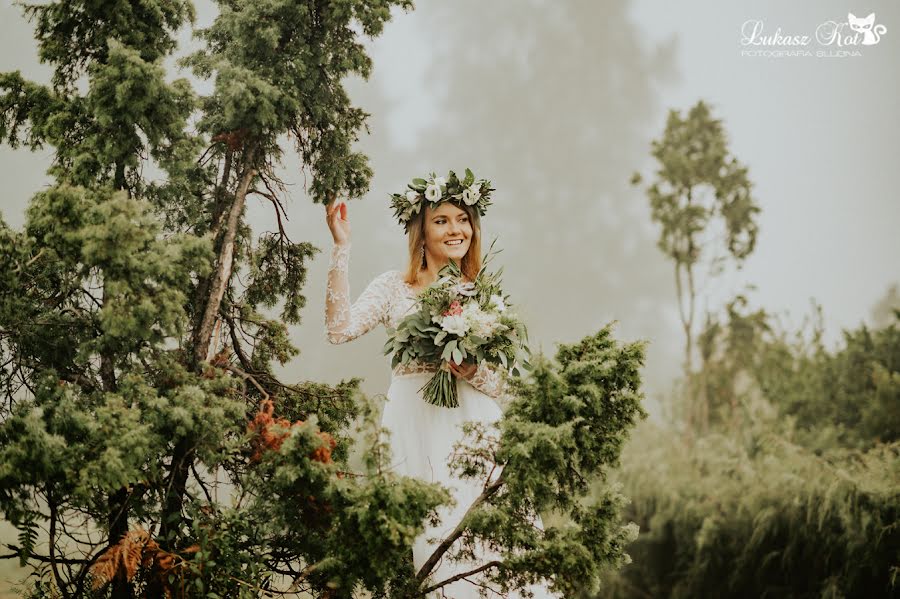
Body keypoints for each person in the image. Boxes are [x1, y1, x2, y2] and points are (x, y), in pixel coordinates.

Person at [323, 171, 554, 598]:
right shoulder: (395, 286)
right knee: (428, 532)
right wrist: (342, 247)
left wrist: (473, 372)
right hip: (414, 422)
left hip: (476, 427)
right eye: (442, 220)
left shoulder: (483, 295)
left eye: (462, 219)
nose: (455, 230)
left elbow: (509, 388)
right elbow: (339, 330)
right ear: (421, 231)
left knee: (487, 536)